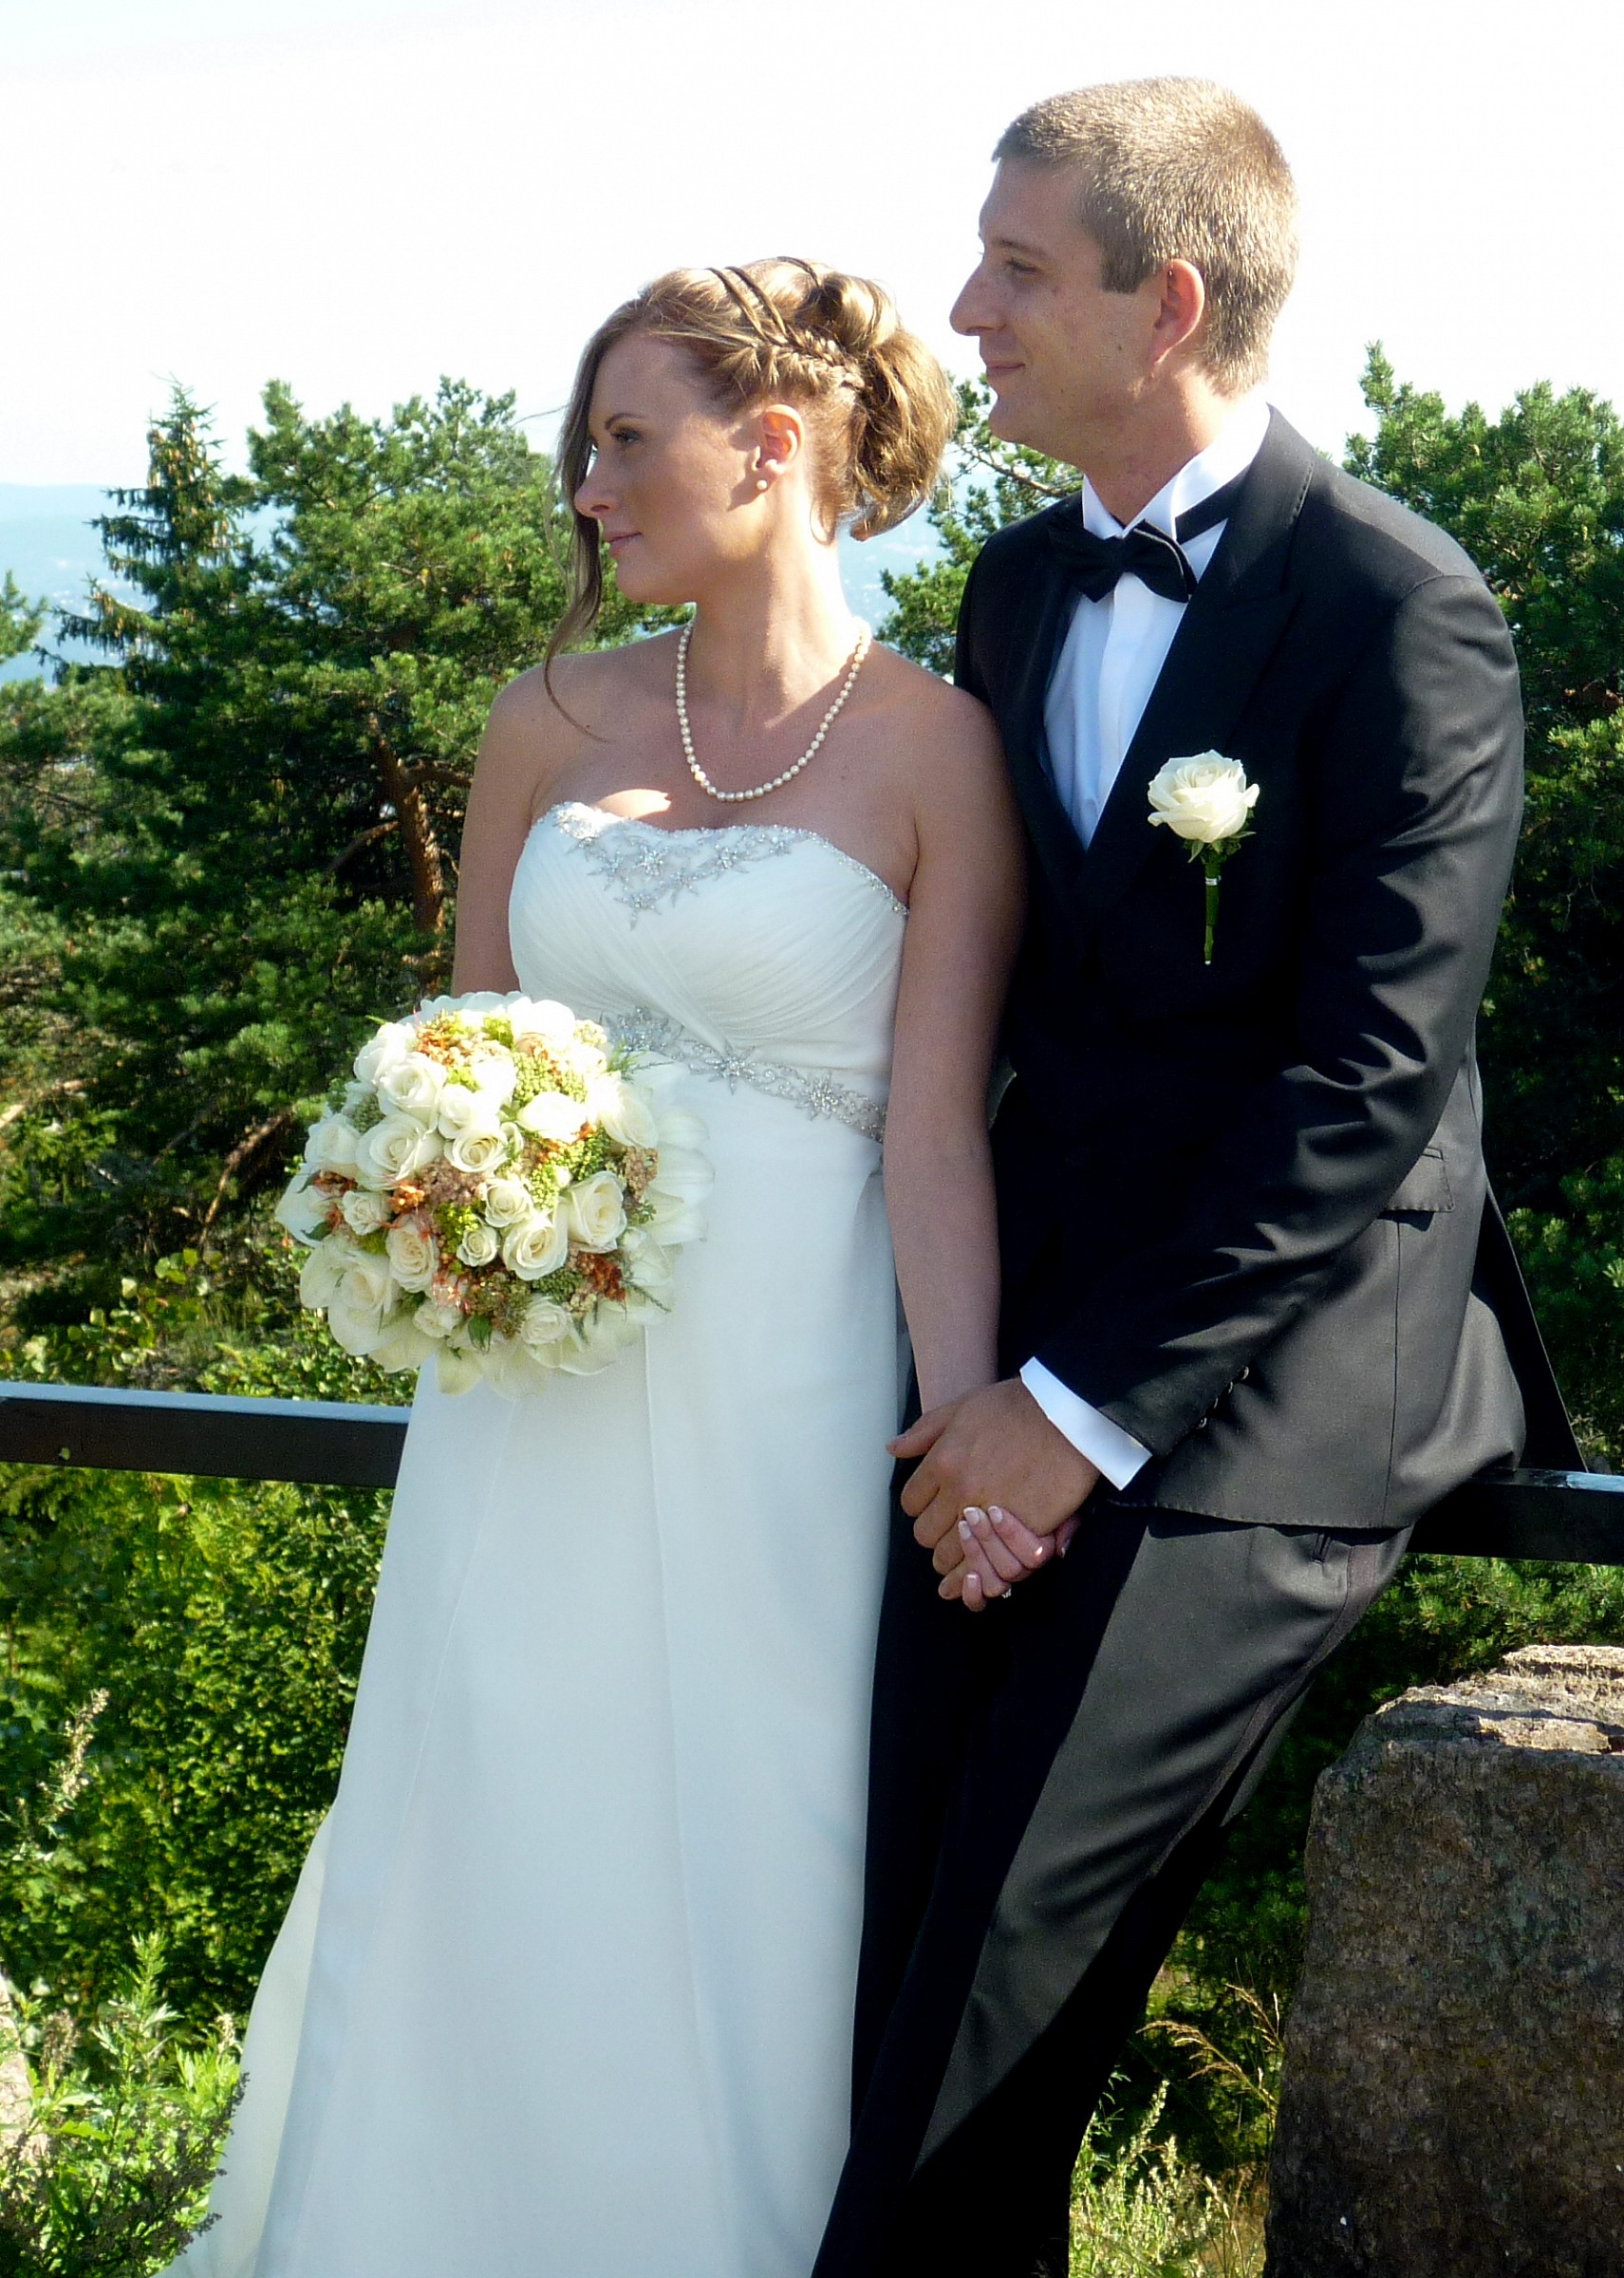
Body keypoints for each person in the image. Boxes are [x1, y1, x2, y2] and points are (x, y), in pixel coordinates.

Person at [172, 258, 1026, 2278]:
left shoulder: (936, 753)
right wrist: (429, 1207)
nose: (588, 484)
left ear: (779, 446)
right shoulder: (541, 721)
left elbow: (933, 1135)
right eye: (592, 440)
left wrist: (969, 1431)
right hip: (525, 1384)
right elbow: (450, 1053)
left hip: (790, 1417)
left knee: (759, 1846)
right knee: (492, 1808)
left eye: (629, 437)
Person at [813, 77, 1582, 2278]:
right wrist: (983, 1393)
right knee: (869, 1964)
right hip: (1017, 1369)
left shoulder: (1396, 605)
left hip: (1273, 1404)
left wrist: (1062, 1424)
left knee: (984, 2024)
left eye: (1016, 270)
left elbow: (1361, 1080)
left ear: (1164, 305)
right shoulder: (1021, 583)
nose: (963, 312)